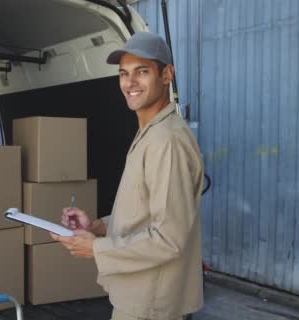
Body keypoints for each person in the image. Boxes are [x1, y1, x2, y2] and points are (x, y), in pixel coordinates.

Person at [51, 31, 204, 320]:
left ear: (166, 74)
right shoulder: (150, 132)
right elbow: (143, 214)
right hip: (139, 296)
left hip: (151, 305)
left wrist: (96, 248)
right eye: (123, 74)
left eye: (142, 72)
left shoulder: (166, 141)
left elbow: (169, 239)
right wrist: (97, 226)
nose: (129, 83)